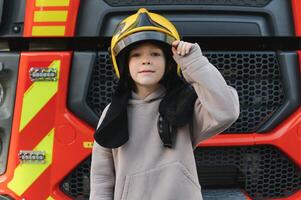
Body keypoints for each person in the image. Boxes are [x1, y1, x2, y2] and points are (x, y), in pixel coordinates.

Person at [90, 8, 240, 200]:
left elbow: (227, 111)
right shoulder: (112, 113)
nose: (146, 61)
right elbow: (102, 179)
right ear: (124, 65)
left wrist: (194, 62)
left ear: (169, 63)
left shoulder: (184, 105)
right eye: (136, 55)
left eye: (155, 54)